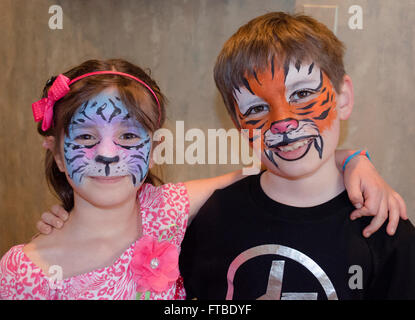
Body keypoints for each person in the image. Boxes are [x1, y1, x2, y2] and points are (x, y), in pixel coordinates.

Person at [178, 12, 415, 300]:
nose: (282, 121)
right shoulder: (213, 220)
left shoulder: (383, 227)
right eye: (255, 109)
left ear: (343, 97)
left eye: (302, 93)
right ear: (238, 124)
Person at [0, 59, 246, 300]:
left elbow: (253, 173)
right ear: (57, 155)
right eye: (86, 137)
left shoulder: (164, 209)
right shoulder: (24, 274)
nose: (107, 154)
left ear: (154, 151)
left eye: (128, 135)